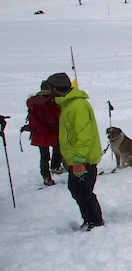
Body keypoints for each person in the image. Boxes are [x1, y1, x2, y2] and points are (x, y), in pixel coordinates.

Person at [47, 72, 104, 231]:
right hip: (76, 159)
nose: (48, 91)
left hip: (83, 159)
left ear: (56, 88)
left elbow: (84, 135)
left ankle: (95, 222)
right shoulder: (68, 105)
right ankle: (90, 220)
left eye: (50, 87)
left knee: (83, 191)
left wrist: (79, 159)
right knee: (77, 190)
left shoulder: (77, 106)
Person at [22, 80, 63, 186]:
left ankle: (46, 177)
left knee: (44, 156)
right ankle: (55, 166)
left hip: (38, 133)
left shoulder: (33, 101)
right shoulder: (52, 101)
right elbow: (57, 117)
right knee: (58, 149)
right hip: (52, 131)